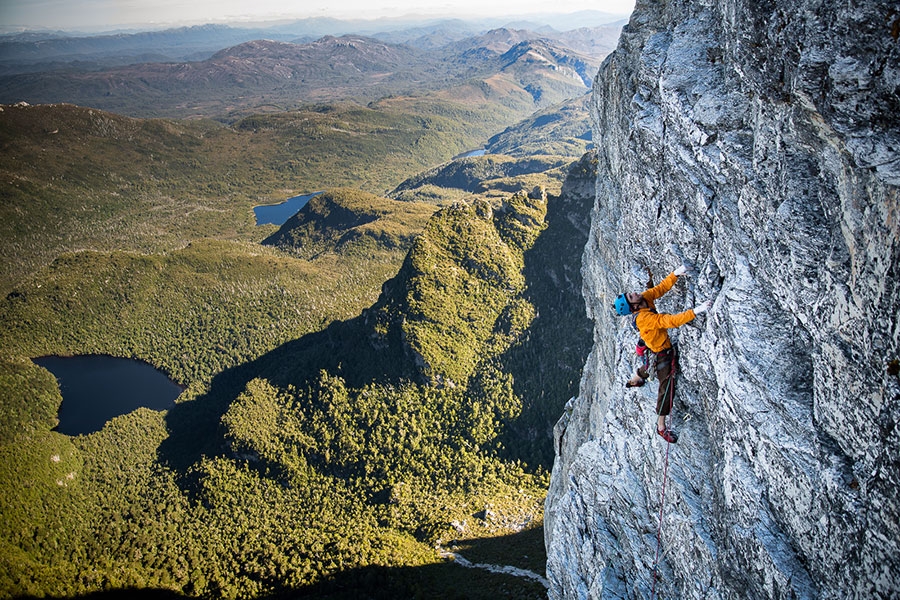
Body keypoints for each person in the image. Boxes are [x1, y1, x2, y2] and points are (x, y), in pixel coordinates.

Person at [614, 264, 711, 443]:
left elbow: (660, 289)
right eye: (631, 296)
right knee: (666, 388)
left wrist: (676, 273)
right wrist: (697, 311)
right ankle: (661, 426)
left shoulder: (644, 299)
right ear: (633, 307)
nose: (634, 293)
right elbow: (670, 321)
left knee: (649, 368)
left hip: (656, 348)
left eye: (631, 293)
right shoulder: (644, 318)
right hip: (661, 352)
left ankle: (636, 377)